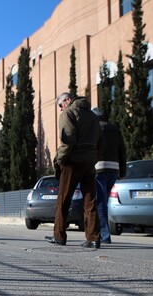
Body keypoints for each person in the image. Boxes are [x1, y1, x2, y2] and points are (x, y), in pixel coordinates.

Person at [46, 92, 104, 248]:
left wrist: (60, 159)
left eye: (60, 105)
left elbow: (68, 140)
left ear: (68, 100)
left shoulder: (69, 113)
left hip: (72, 161)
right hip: (89, 162)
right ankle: (93, 238)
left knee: (63, 200)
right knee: (90, 200)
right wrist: (93, 157)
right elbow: (101, 140)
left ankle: (59, 236)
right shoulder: (93, 116)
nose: (60, 109)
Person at [92, 107, 126, 244]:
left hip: (99, 168)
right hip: (114, 169)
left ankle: (104, 236)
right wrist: (122, 172)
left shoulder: (95, 129)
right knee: (103, 201)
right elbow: (122, 151)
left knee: (100, 202)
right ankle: (100, 233)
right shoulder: (115, 130)